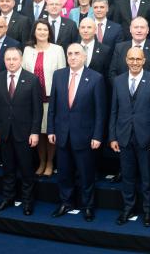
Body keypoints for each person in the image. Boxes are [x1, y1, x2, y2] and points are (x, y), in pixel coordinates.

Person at [48, 43, 106, 222]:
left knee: (86, 174)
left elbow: (100, 111)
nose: (72, 57)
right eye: (70, 53)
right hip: (62, 134)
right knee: (64, 173)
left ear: (84, 57)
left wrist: (97, 135)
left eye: (76, 54)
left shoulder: (96, 78)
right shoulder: (58, 75)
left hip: (85, 136)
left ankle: (87, 206)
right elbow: (53, 107)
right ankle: (66, 203)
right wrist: (51, 129)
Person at [109, 47, 150, 227]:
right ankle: (128, 208)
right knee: (127, 176)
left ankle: (148, 211)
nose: (134, 62)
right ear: (126, 60)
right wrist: (112, 137)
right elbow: (113, 111)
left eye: (138, 59)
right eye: (131, 59)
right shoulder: (118, 81)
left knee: (148, 178)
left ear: (144, 61)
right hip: (124, 136)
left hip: (147, 138)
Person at [0, 47, 42, 216]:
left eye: (14, 59)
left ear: (20, 60)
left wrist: (35, 132)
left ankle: (27, 202)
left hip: (25, 133)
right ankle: (8, 198)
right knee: (8, 168)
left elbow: (37, 109)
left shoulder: (32, 79)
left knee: (27, 170)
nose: (11, 62)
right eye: (8, 59)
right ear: (4, 61)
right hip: (4, 132)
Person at [22, 20, 66, 177]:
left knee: (49, 132)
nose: (42, 32)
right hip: (33, 99)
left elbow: (62, 76)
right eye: (39, 29)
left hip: (51, 98)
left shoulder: (58, 50)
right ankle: (41, 161)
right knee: (38, 132)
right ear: (34, 31)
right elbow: (25, 74)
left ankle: (50, 162)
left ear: (49, 32)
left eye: (45, 30)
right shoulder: (27, 50)